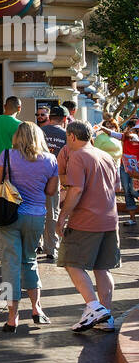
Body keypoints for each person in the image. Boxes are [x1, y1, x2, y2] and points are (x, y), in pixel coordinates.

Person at [0, 121, 59, 331]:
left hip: (9, 215)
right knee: (29, 260)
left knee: (10, 264)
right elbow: (51, 191)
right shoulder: (50, 159)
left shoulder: (7, 155)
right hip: (36, 215)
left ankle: (12, 317)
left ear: (17, 137)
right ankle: (36, 308)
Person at [58, 120, 121, 332]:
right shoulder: (106, 156)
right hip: (110, 219)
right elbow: (117, 186)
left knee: (71, 262)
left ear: (72, 137)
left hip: (85, 220)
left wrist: (62, 217)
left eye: (67, 138)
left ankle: (94, 307)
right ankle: (106, 316)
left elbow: (76, 190)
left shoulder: (77, 156)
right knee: (102, 268)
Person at [40, 104, 68, 259]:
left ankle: (36, 243)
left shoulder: (39, 132)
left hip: (36, 177)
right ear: (64, 119)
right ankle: (50, 248)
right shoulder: (67, 135)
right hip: (55, 178)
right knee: (52, 212)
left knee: (36, 210)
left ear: (49, 118)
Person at [120, 118, 139, 229]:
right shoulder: (125, 138)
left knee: (132, 190)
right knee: (127, 191)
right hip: (125, 167)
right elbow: (119, 135)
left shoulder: (136, 139)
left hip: (137, 168)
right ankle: (132, 218)